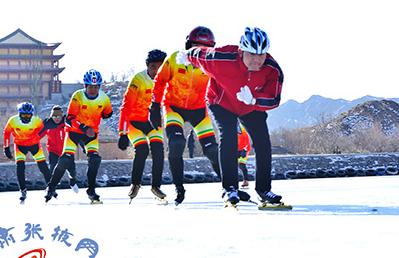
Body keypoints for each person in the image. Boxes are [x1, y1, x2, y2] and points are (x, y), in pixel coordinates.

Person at [182, 26, 284, 206]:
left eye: (261, 55)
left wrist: (254, 100)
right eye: (251, 54)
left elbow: (275, 98)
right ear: (241, 51)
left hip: (251, 105)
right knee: (229, 138)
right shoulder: (222, 58)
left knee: (263, 143)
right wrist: (186, 54)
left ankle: (264, 189)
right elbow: (201, 53)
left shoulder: (273, 70)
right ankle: (229, 188)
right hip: (220, 102)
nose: (256, 59)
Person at [149, 26, 222, 205]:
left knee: (212, 151)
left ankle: (229, 187)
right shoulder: (174, 58)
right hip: (174, 107)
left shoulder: (212, 64)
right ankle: (179, 187)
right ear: (188, 45)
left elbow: (223, 87)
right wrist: (154, 105)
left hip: (199, 110)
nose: (199, 51)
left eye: (204, 49)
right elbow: (160, 81)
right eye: (195, 46)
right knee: (176, 143)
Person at [45, 69, 113, 204]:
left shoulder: (104, 98)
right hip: (74, 132)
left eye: (95, 87)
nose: (93, 90)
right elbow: (69, 119)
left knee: (95, 159)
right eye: (90, 87)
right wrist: (83, 127)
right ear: (85, 86)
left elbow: (108, 113)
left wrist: (101, 116)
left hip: (91, 134)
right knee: (65, 159)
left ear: (99, 86)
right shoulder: (78, 96)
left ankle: (91, 190)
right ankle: (51, 187)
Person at [118, 49, 168, 202]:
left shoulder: (166, 79)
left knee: (159, 150)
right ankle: (135, 183)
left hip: (153, 123)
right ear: (147, 65)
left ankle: (156, 186)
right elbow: (126, 107)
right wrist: (122, 133)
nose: (156, 71)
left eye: (160, 68)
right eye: (153, 67)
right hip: (135, 123)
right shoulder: (138, 79)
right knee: (142, 149)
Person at [3, 102, 52, 203]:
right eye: (24, 115)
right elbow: (6, 133)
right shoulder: (13, 120)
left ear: (32, 114)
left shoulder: (36, 121)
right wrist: (6, 147)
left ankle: (51, 186)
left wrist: (37, 138)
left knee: (43, 166)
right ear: (19, 114)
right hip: (20, 146)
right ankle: (23, 190)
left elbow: (43, 130)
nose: (26, 117)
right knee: (20, 167)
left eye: (28, 115)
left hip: (34, 145)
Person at [42, 105, 78, 193]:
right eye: (54, 116)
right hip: (53, 150)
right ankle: (50, 187)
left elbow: (76, 135)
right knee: (52, 168)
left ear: (62, 116)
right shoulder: (47, 125)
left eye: (58, 116)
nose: (56, 118)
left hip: (66, 150)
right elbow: (38, 135)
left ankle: (73, 182)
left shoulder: (67, 124)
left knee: (72, 170)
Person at [237, 123, 251, 188]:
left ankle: (246, 181)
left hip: (244, 149)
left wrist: (245, 149)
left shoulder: (241, 128)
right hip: (236, 149)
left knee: (242, 165)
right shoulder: (231, 127)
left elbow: (246, 139)